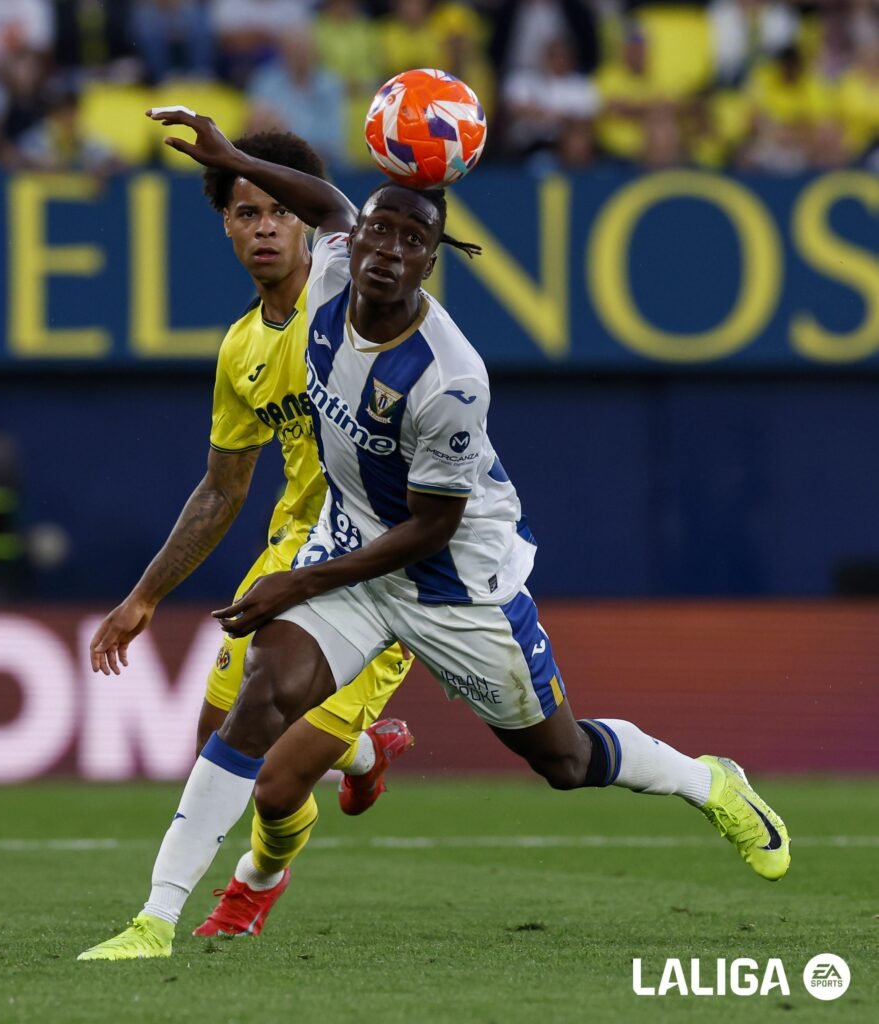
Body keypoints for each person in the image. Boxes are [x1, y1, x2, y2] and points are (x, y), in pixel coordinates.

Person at [78, 110, 790, 961]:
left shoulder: (449, 380)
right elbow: (327, 203)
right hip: (348, 551)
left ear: (429, 263)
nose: (386, 249)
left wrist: (295, 581)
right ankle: (153, 921)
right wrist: (233, 156)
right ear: (352, 238)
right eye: (376, 231)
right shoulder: (328, 272)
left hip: (449, 578)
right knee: (257, 703)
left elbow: (430, 528)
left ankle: (707, 781)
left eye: (411, 242)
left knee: (562, 760)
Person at [84, 130, 414, 950]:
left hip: (382, 567)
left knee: (271, 782)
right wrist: (144, 597)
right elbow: (222, 488)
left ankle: (252, 885)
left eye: (278, 210)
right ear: (227, 229)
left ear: (306, 222)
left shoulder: (354, 301)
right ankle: (362, 755)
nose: (264, 226)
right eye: (244, 213)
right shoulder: (241, 348)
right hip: (291, 555)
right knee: (217, 746)